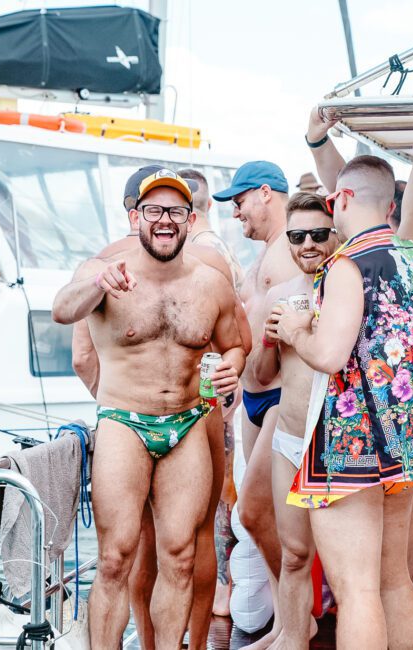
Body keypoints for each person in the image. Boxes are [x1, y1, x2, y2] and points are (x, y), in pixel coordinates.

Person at [271, 109, 413, 649]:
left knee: (356, 591)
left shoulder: (345, 265)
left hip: (354, 444)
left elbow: (331, 354)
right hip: (411, 441)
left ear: (338, 202)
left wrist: (294, 329)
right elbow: (407, 198)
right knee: (392, 582)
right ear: (391, 206)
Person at [53, 169, 246, 649]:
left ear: (190, 218)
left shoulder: (211, 283)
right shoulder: (103, 271)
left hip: (185, 424)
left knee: (180, 555)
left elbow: (236, 343)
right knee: (116, 557)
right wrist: (98, 282)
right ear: (136, 216)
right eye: (154, 210)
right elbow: (62, 308)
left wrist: (232, 368)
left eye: (175, 211)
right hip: (123, 422)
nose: (165, 220)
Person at [212, 161, 301, 646]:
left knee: (255, 512)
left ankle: (296, 621)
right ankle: (289, 621)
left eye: (240, 202)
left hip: (281, 395)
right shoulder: (263, 256)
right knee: (259, 511)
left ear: (265, 193)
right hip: (250, 396)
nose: (236, 214)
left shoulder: (293, 249)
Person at [253, 192, 339, 649]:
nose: (308, 244)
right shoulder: (278, 295)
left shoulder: (349, 292)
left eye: (318, 234)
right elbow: (260, 378)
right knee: (293, 556)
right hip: (288, 439)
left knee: (347, 568)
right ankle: (293, 639)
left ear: (335, 233)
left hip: (337, 444)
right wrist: (268, 341)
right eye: (297, 235)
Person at [179, 167, 242, 618]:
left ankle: (220, 591)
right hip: (221, 393)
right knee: (220, 498)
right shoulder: (219, 248)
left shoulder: (202, 252)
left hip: (206, 398)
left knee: (211, 504)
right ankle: (223, 589)